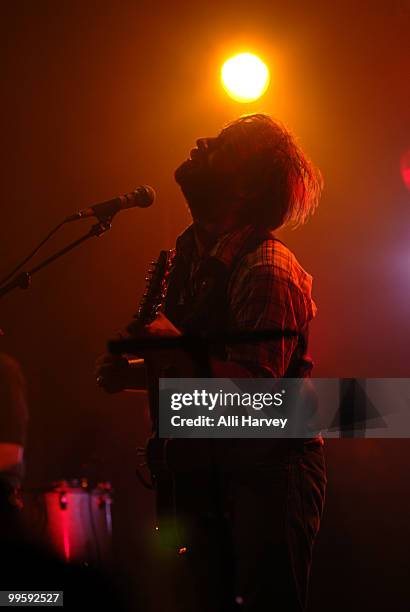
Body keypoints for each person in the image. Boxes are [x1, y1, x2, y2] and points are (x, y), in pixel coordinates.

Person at [96, 113, 326, 611]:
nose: (201, 143)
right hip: (209, 473)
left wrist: (172, 348)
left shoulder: (268, 267)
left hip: (267, 478)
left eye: (222, 146)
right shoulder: (193, 255)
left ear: (244, 188)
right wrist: (136, 375)